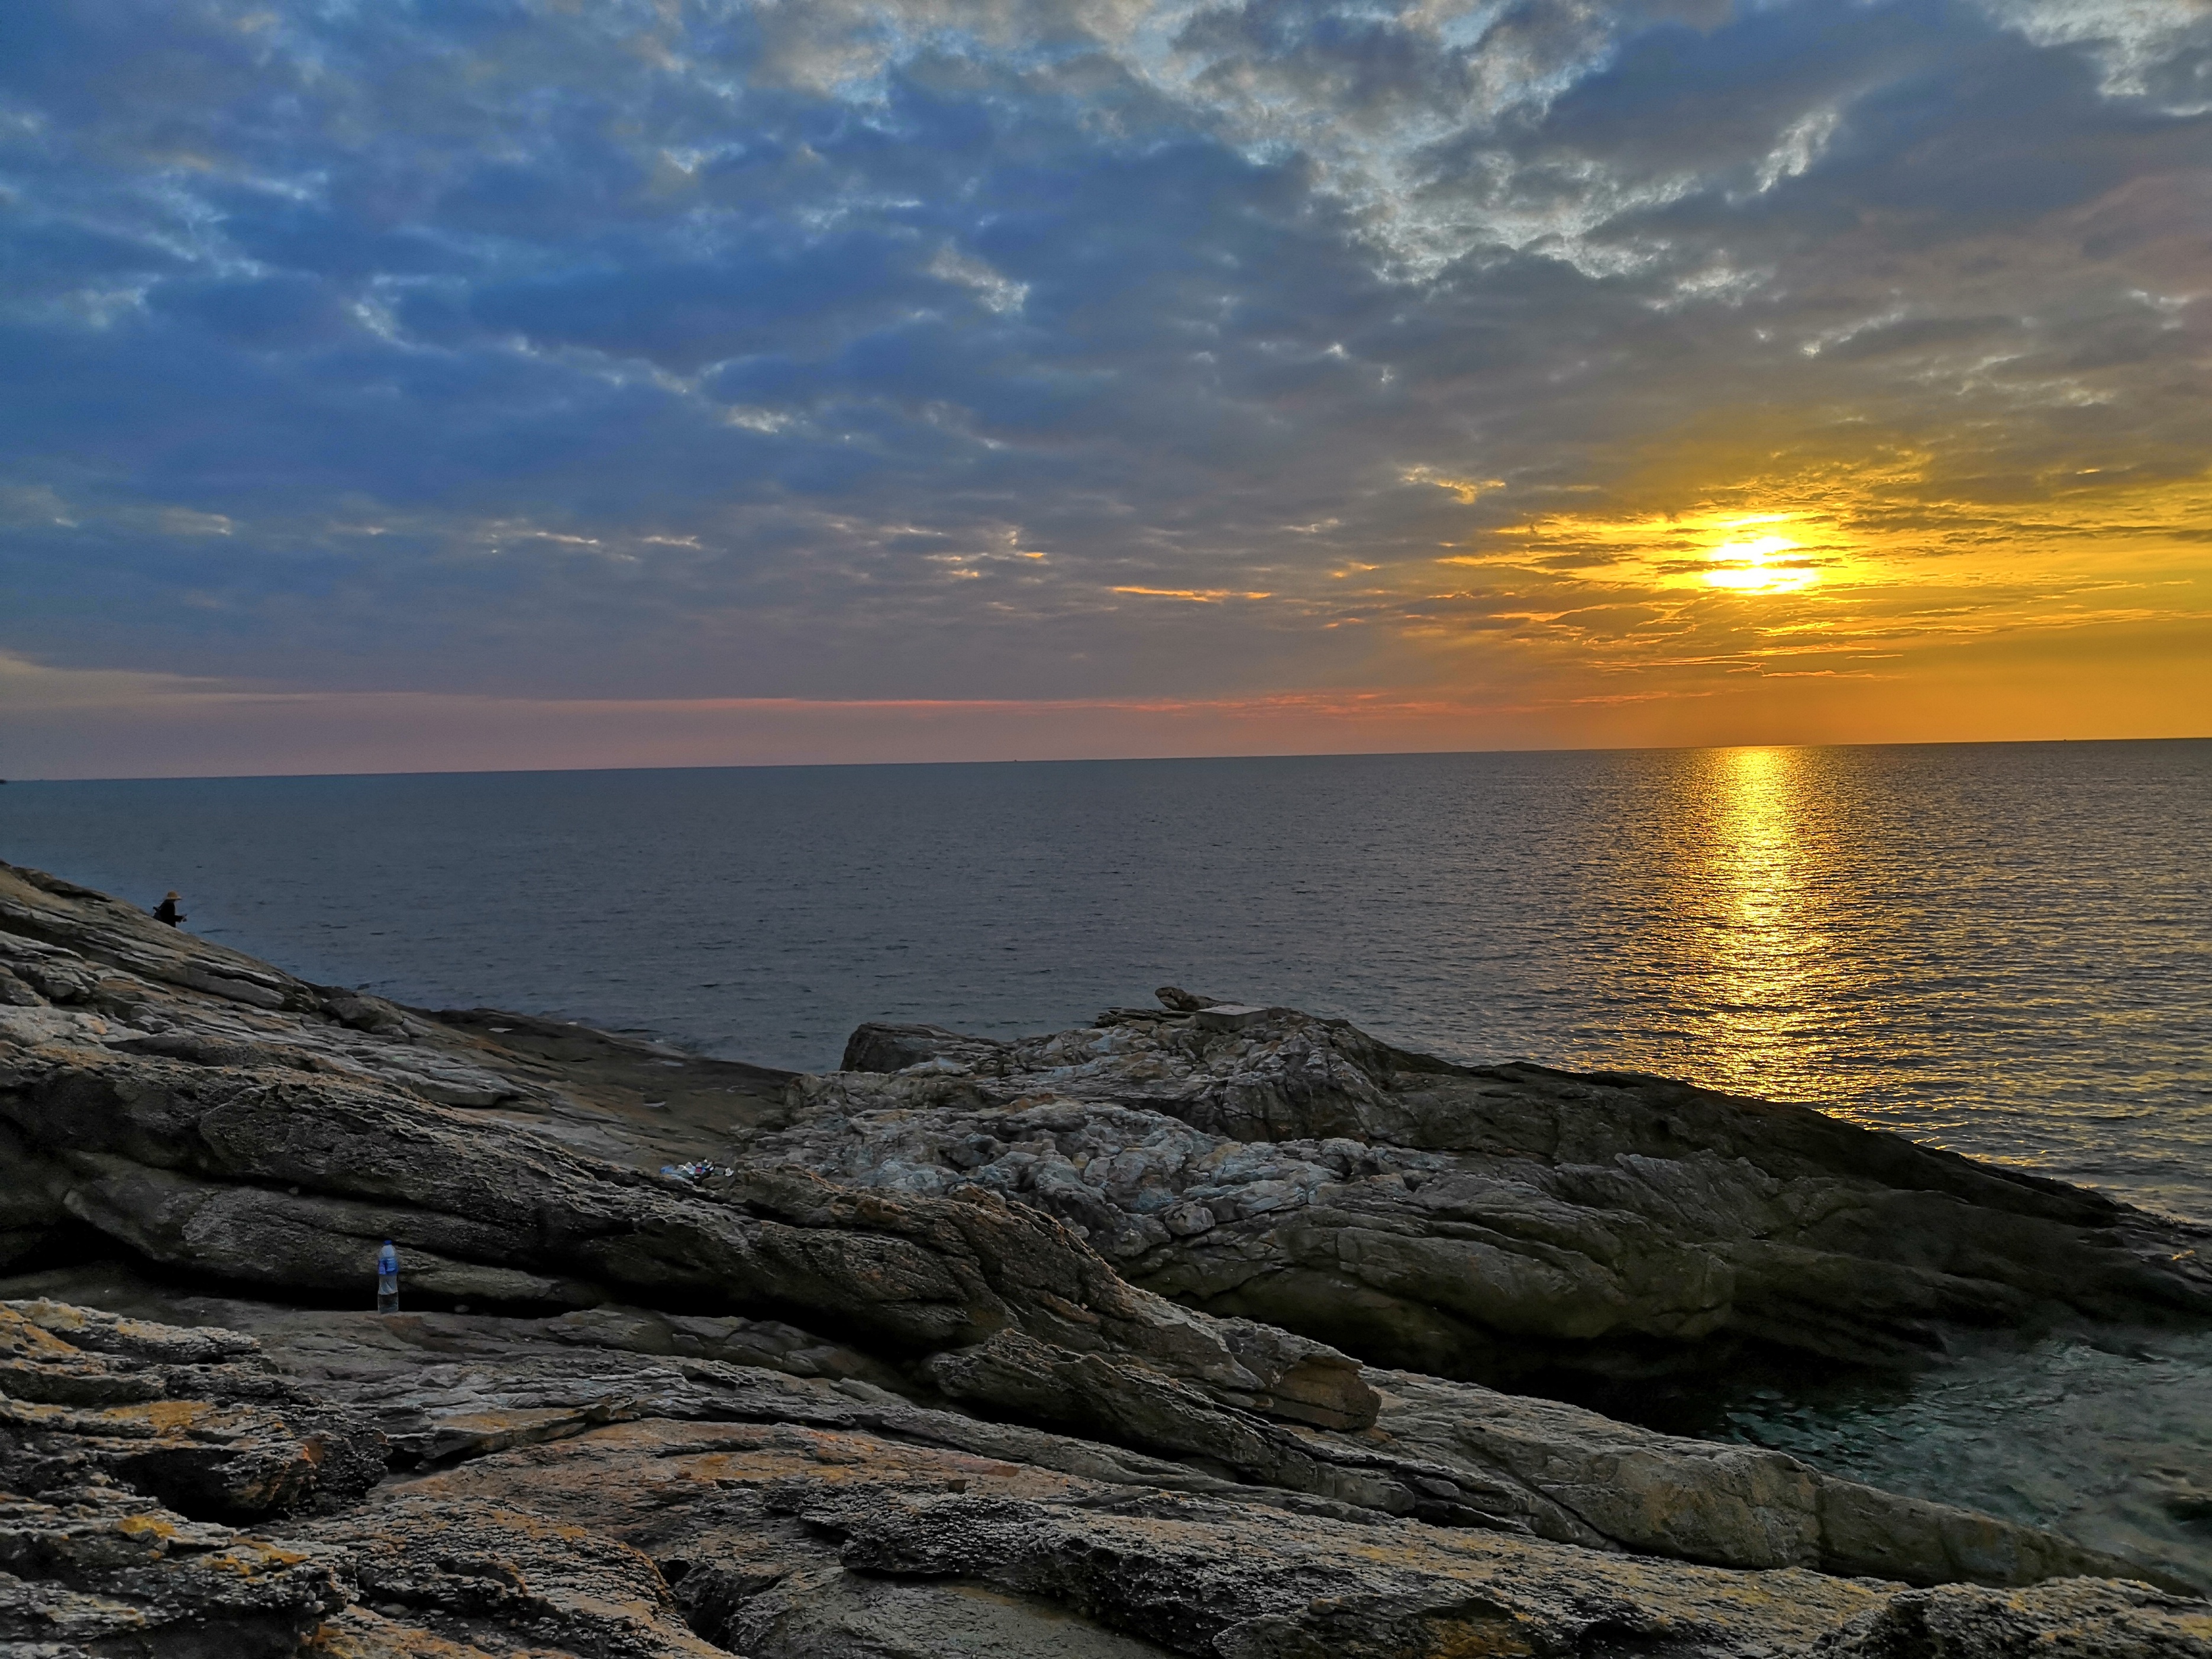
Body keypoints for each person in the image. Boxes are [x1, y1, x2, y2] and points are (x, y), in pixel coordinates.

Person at [376, 1240, 399, 1313]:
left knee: (384, 1288)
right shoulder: (393, 1250)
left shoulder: (383, 1251)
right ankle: (393, 1307)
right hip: (392, 1273)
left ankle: (384, 1307)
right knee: (392, 1288)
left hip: (384, 1273)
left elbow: (380, 1262)